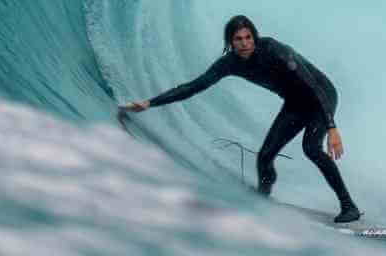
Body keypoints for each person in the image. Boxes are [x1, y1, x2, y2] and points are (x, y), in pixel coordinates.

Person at [121, 14, 361, 223]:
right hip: (296, 103)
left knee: (310, 147)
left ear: (254, 37)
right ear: (230, 42)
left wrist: (331, 126)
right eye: (238, 39)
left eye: (248, 37)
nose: (245, 44)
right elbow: (194, 86)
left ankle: (348, 206)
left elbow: (311, 84)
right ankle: (263, 197)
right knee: (265, 156)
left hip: (321, 94)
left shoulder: (274, 50)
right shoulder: (230, 63)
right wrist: (150, 103)